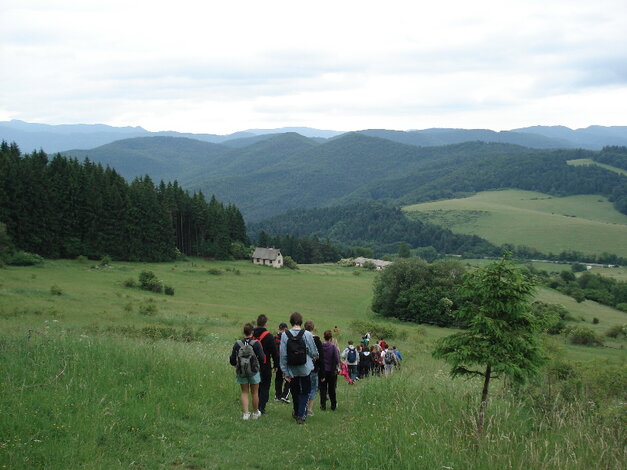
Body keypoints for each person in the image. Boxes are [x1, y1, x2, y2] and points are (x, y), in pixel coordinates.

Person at [279, 312, 319, 424]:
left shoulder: (284, 335)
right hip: (305, 368)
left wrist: (285, 371)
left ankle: (297, 411)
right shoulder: (307, 334)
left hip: (291, 368)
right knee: (305, 391)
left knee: (295, 391)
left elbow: (283, 355)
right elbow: (313, 351)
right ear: (301, 321)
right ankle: (301, 415)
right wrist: (313, 356)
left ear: (291, 321)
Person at [229, 323, 265, 420]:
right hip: (254, 371)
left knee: (244, 392)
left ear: (244, 332)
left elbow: (232, 359)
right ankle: (255, 413)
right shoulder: (256, 343)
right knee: (255, 392)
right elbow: (262, 358)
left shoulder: (238, 344)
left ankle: (245, 414)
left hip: (242, 371)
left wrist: (237, 365)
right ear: (252, 332)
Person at [253, 314, 277, 414]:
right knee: (265, 386)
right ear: (265, 323)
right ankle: (261, 407)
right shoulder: (269, 336)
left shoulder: (252, 333)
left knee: (256, 386)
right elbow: (274, 352)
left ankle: (255, 405)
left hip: (253, 364)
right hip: (265, 364)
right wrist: (276, 365)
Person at [304, 320, 324, 417]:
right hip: (314, 368)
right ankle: (309, 409)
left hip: (303, 367)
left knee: (303, 387)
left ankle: (302, 407)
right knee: (312, 388)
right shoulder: (316, 340)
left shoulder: (301, 338)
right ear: (313, 328)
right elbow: (321, 357)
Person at [319, 329, 340, 411]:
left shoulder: (321, 346)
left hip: (322, 370)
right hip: (331, 370)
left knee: (323, 389)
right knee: (331, 389)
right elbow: (337, 359)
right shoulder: (333, 347)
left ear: (324, 337)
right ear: (331, 338)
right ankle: (333, 405)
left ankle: (323, 405)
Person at [274, 322, 290, 403]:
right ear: (286, 329)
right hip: (286, 361)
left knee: (278, 379)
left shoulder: (275, 337)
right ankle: (285, 395)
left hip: (277, 361)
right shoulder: (288, 338)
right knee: (288, 379)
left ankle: (277, 396)